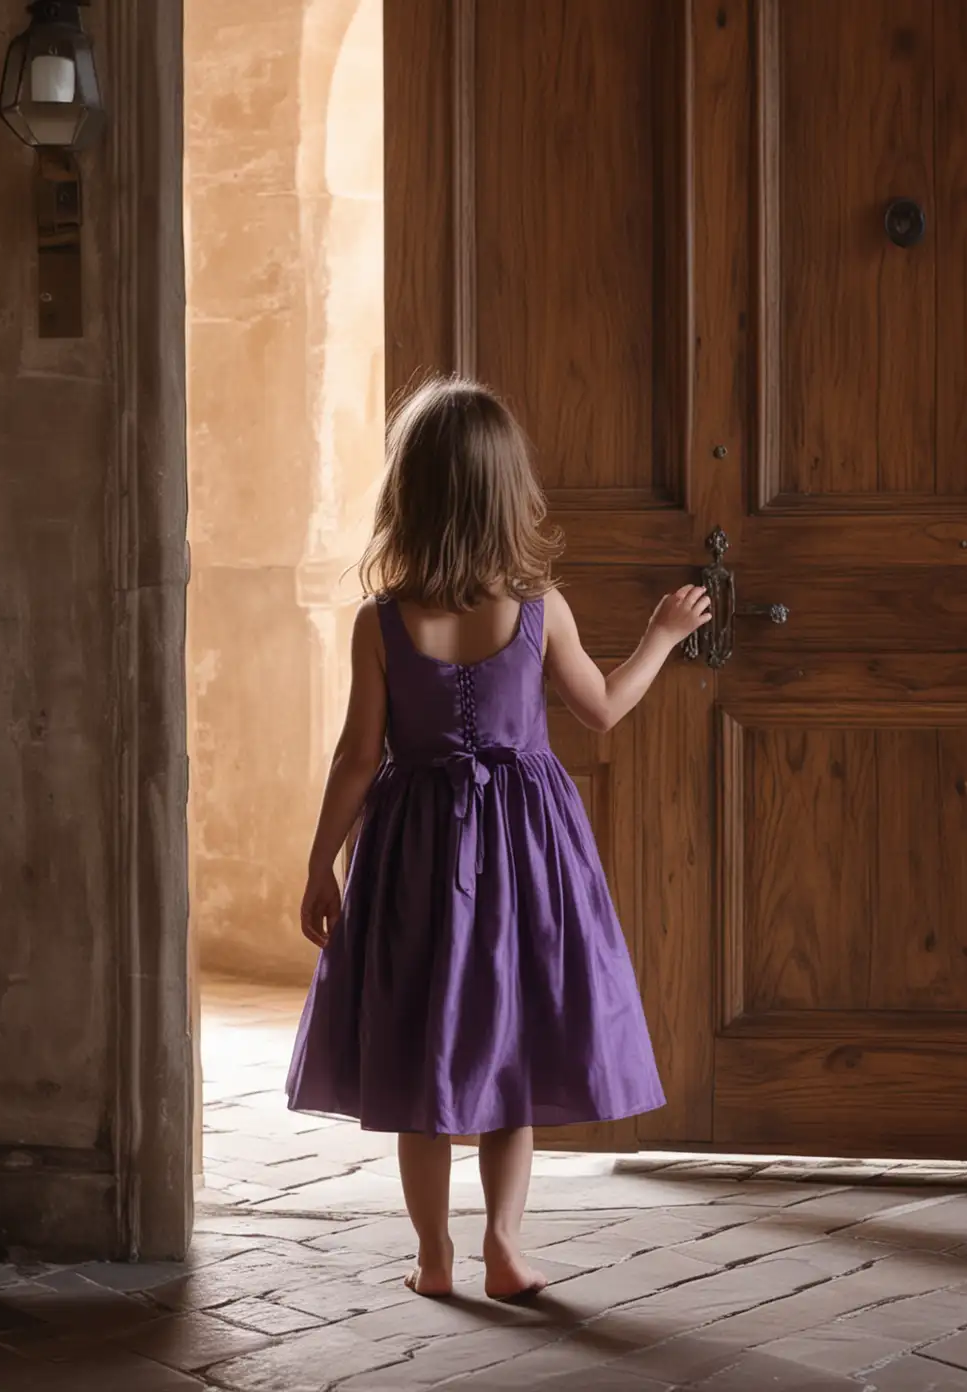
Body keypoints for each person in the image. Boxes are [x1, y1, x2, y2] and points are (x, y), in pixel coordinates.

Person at [285, 376, 710, 1301]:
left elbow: (358, 759)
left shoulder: (382, 624)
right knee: (512, 1050)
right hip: (525, 864)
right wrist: (662, 637)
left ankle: (434, 1259)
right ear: (505, 494)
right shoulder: (539, 608)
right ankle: (505, 1250)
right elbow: (600, 710)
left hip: (412, 864)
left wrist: (322, 864)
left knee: (420, 1053)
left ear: (411, 495)